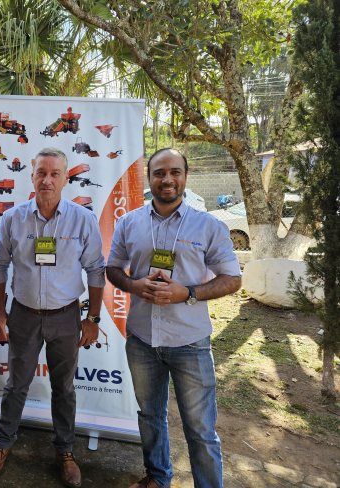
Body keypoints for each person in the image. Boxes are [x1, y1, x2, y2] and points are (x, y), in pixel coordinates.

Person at [105, 148, 242, 488]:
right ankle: (157, 476)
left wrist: (189, 293)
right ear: (149, 178)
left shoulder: (208, 225)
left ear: (185, 176)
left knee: (200, 429)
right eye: (159, 173)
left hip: (190, 342)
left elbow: (232, 279)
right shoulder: (129, 222)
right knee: (150, 416)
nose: (167, 179)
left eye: (175, 172)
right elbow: (113, 268)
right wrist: (133, 285)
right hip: (142, 340)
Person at [0, 147, 105, 488]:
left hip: (66, 317)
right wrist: (0, 308)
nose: (47, 180)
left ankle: (65, 451)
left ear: (65, 179)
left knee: (63, 388)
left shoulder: (82, 219)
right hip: (23, 316)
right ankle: (2, 444)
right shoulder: (13, 218)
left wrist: (93, 319)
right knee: (16, 385)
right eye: (41, 172)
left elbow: (96, 270)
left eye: (54, 174)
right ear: (32, 176)